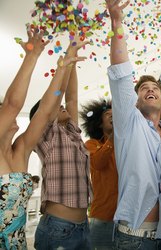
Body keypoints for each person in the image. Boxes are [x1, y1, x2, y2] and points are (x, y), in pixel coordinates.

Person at [0, 26, 83, 249]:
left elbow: (47, 109)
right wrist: (32, 55)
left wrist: (63, 67)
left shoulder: (21, 147)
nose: (9, 115)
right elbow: (13, 103)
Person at [106, 0, 161, 249]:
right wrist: (117, 23)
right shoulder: (130, 124)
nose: (150, 90)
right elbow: (121, 75)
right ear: (135, 101)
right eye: (144, 89)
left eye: (155, 88)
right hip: (134, 238)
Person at [31, 36, 92, 249]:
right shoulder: (46, 134)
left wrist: (73, 58)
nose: (63, 107)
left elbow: (72, 97)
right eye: (57, 107)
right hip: (58, 229)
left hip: (83, 226)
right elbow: (57, 98)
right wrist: (66, 57)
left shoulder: (72, 131)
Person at [80, 98, 117, 249]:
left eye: (115, 113)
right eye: (108, 114)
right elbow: (97, 163)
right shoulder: (92, 144)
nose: (113, 116)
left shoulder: (126, 145)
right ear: (100, 123)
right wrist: (113, 137)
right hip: (102, 218)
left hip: (125, 220)